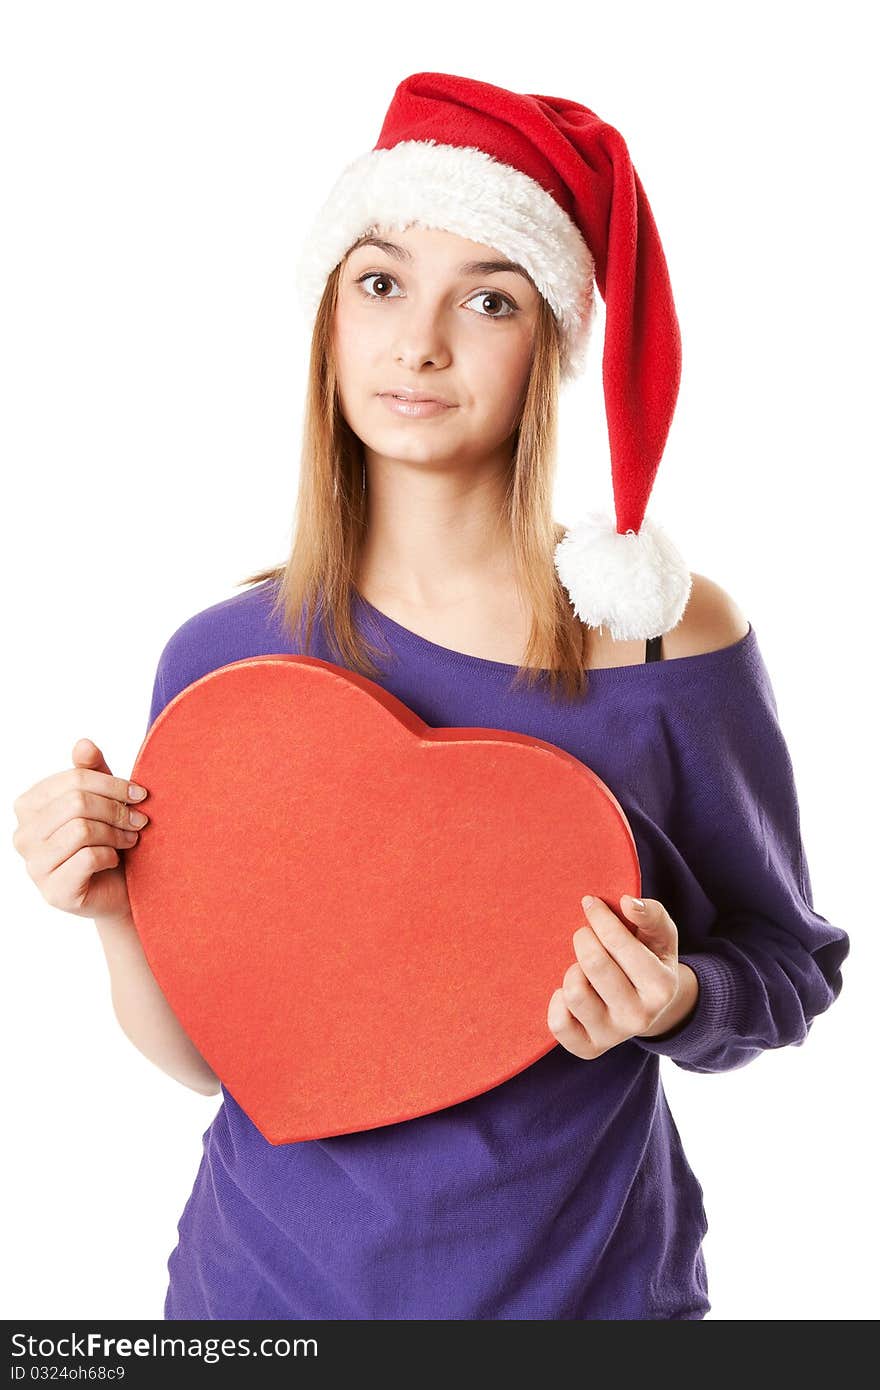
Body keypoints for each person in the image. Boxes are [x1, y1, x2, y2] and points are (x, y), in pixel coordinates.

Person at [12, 72, 849, 1321]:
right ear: (329, 319)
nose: (420, 342)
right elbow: (215, 1060)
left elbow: (786, 961)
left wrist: (678, 1000)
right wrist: (108, 908)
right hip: (254, 1306)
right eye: (382, 282)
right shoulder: (222, 662)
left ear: (551, 347)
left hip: (590, 1308)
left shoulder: (661, 640)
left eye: (490, 298)